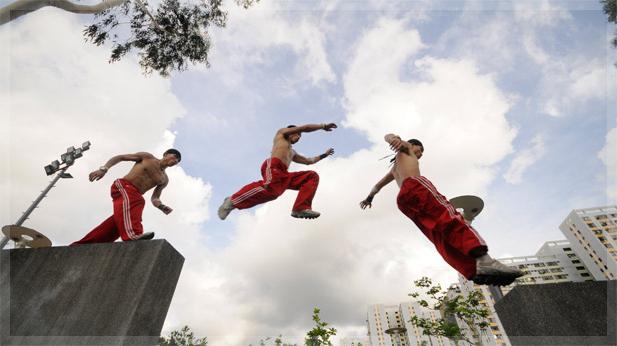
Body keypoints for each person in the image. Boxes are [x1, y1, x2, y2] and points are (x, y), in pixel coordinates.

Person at [359, 135, 523, 286]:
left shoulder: (394, 169)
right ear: (413, 145)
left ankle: (473, 269)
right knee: (451, 218)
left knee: (438, 234)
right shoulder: (407, 148)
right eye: (420, 150)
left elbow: (377, 186)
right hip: (416, 186)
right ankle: (484, 259)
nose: (421, 154)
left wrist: (369, 198)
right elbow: (391, 137)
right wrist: (393, 138)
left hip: (404, 201)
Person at [218, 123, 337, 220]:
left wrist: (324, 155)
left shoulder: (292, 152)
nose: (299, 137)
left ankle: (300, 208)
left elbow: (309, 161)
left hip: (284, 175)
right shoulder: (281, 135)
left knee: (311, 176)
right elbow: (305, 128)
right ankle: (232, 201)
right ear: (291, 132)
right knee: (270, 188)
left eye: (300, 136)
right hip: (273, 166)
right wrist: (323, 126)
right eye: (297, 134)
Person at [72, 149, 181, 245]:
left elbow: (155, 198)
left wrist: (161, 206)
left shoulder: (164, 179)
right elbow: (121, 157)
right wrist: (103, 169)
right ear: (166, 154)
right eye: (175, 156)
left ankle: (85, 244)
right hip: (123, 186)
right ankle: (133, 235)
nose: (176, 160)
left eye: (178, 161)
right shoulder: (147, 158)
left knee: (121, 220)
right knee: (138, 202)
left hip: (132, 197)